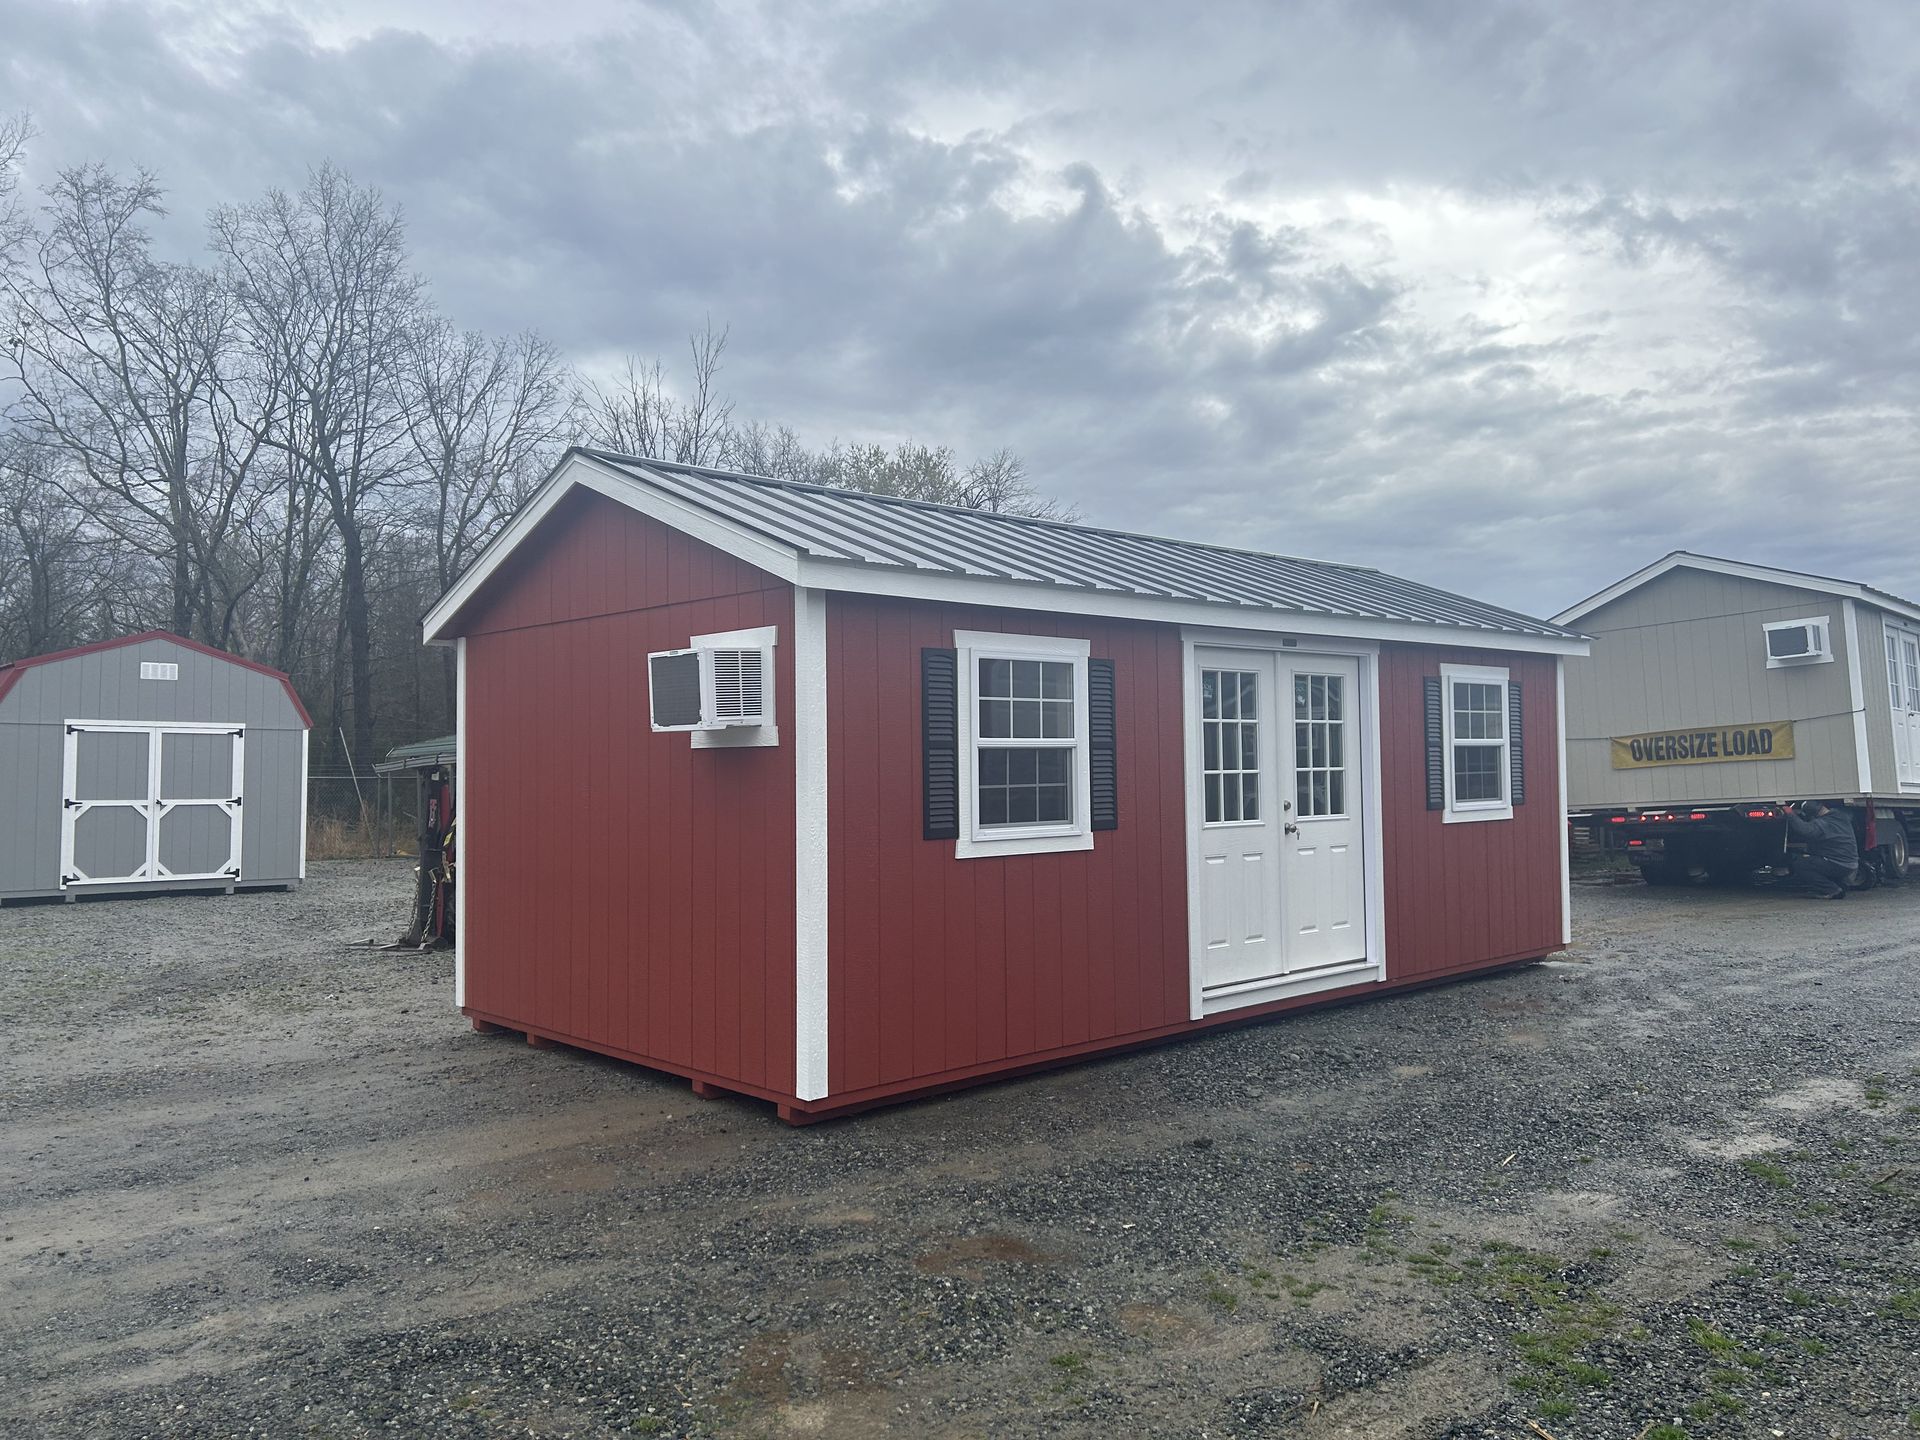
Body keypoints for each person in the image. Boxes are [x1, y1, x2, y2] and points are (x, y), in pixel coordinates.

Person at [1782, 799, 1859, 899]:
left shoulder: (1822, 824)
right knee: (1817, 859)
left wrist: (1790, 814)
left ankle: (1832, 890)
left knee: (1800, 864)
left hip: (1837, 863)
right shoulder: (1841, 816)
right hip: (1852, 863)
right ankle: (1841, 885)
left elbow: (1804, 830)